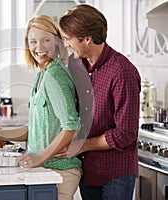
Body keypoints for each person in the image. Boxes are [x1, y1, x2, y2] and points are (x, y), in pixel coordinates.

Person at [0, 15, 82, 200]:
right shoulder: (42, 74)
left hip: (59, 171)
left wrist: (38, 158)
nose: (39, 47)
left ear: (57, 42)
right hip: (45, 170)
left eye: (46, 40)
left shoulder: (55, 75)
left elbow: (71, 126)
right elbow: (34, 129)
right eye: (33, 41)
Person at [56, 4, 141, 200]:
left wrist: (82, 145)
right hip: (88, 170)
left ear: (87, 39)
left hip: (116, 173)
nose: (66, 44)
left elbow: (125, 134)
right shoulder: (75, 65)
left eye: (68, 39)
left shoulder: (122, 72)